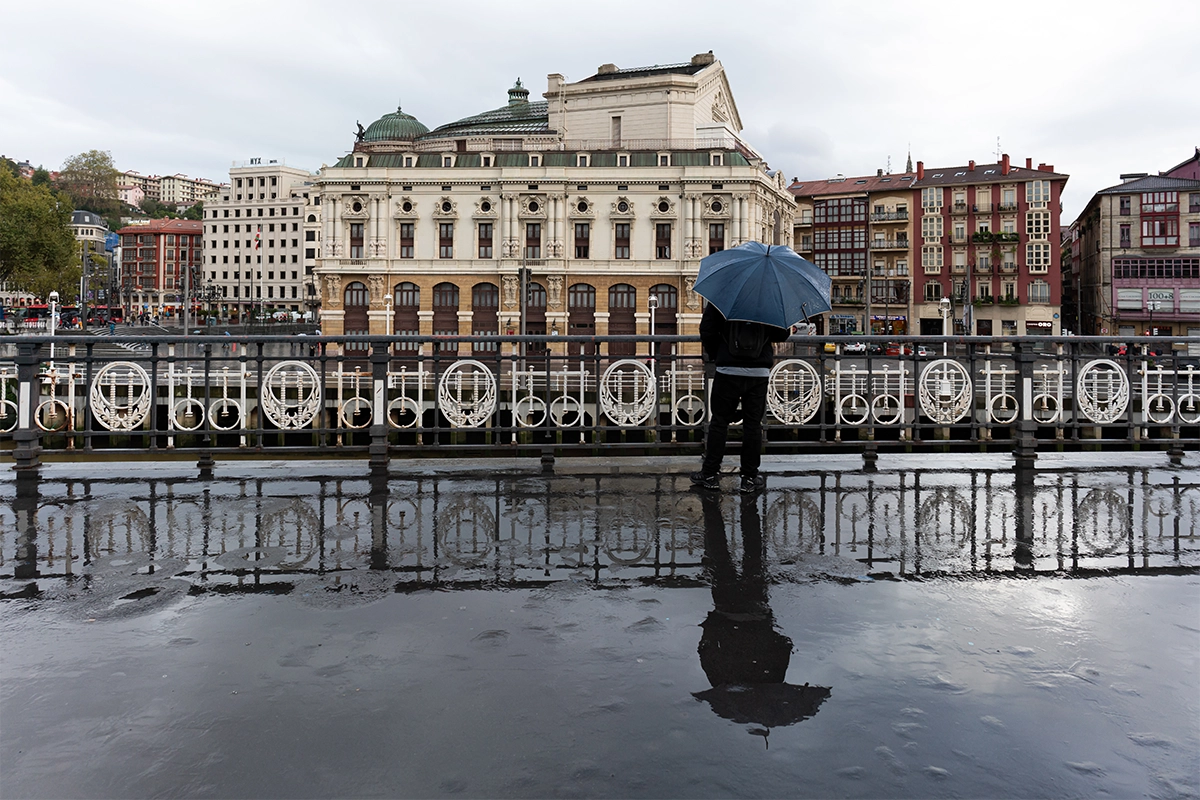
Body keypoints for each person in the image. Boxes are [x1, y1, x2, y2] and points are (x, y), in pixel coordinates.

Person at [691, 303, 789, 493]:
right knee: (753, 425)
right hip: (758, 373)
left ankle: (710, 474)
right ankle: (749, 478)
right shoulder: (769, 300)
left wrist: (718, 354)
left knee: (719, 422)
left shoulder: (724, 296)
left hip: (727, 370)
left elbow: (707, 329)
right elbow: (782, 334)